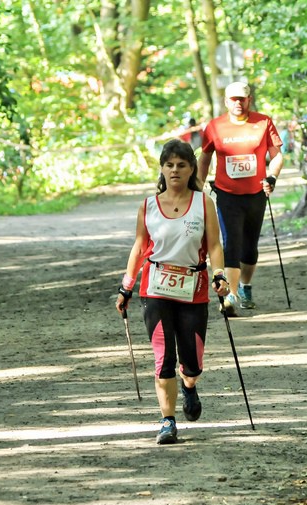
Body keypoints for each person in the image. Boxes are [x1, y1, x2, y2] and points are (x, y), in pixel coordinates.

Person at [116, 139, 230, 445]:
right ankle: (167, 421)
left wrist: (220, 274)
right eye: (169, 165)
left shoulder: (203, 202)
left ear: (192, 168)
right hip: (154, 288)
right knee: (162, 358)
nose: (175, 170)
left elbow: (215, 245)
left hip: (193, 289)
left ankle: (189, 384)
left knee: (192, 363)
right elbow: (140, 247)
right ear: (162, 169)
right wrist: (126, 287)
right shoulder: (148, 205)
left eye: (181, 165)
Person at [197, 81, 283, 316]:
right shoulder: (215, 127)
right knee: (231, 242)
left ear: (249, 100)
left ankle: (245, 286)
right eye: (233, 99)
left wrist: (272, 177)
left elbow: (276, 156)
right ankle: (230, 296)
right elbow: (204, 158)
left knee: (250, 248)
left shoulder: (263, 122)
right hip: (226, 194)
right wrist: (197, 184)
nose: (237, 103)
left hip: (256, 194)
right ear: (226, 101)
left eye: (241, 99)